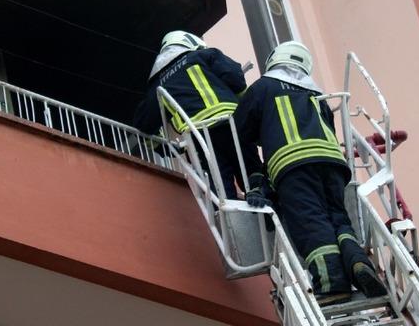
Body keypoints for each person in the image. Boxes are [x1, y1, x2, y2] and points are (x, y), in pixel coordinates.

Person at [233, 41, 387, 304]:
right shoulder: (317, 95)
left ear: (274, 60)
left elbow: (239, 131)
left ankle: (331, 284)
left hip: (294, 165)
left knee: (311, 221)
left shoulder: (263, 87)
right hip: (333, 164)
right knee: (338, 219)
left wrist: (257, 178)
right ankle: (358, 263)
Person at [133, 30, 260, 199]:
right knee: (252, 172)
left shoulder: (158, 83)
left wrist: (167, 149)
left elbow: (143, 125)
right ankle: (264, 200)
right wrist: (247, 113)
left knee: (220, 187)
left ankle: (232, 213)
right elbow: (235, 77)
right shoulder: (203, 55)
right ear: (189, 43)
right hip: (230, 124)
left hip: (199, 136)